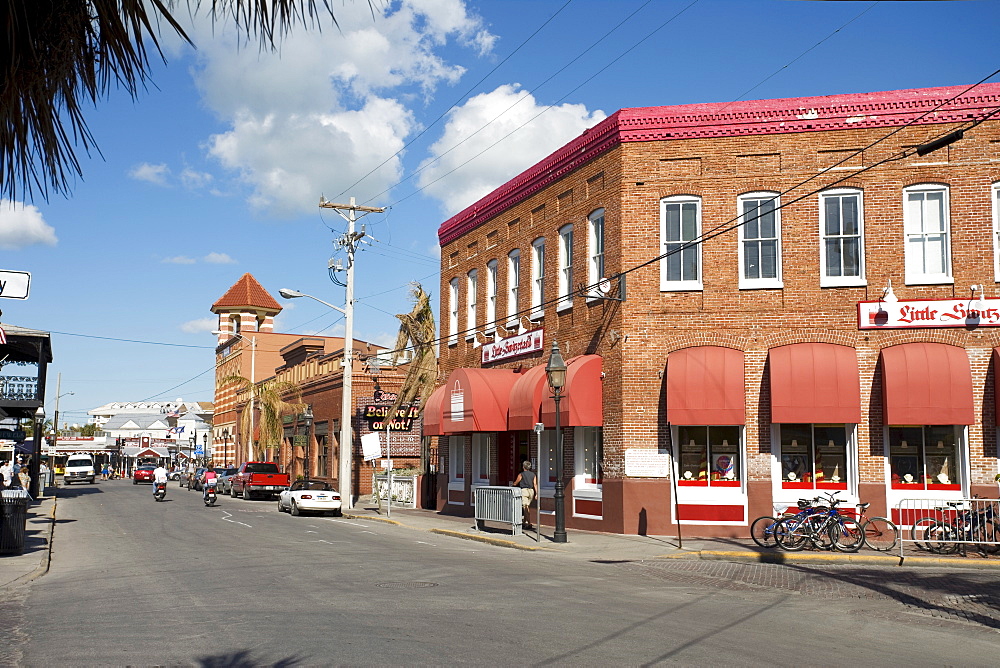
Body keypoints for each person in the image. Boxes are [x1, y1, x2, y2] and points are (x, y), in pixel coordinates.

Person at [512, 460, 538, 529]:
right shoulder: (533, 475)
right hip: (531, 491)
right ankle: (524, 522)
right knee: (527, 506)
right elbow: (535, 484)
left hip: (524, 491)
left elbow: (516, 482)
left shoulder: (521, 474)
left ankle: (528, 523)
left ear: (523, 467)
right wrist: (536, 494)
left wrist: (513, 485)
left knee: (525, 507)